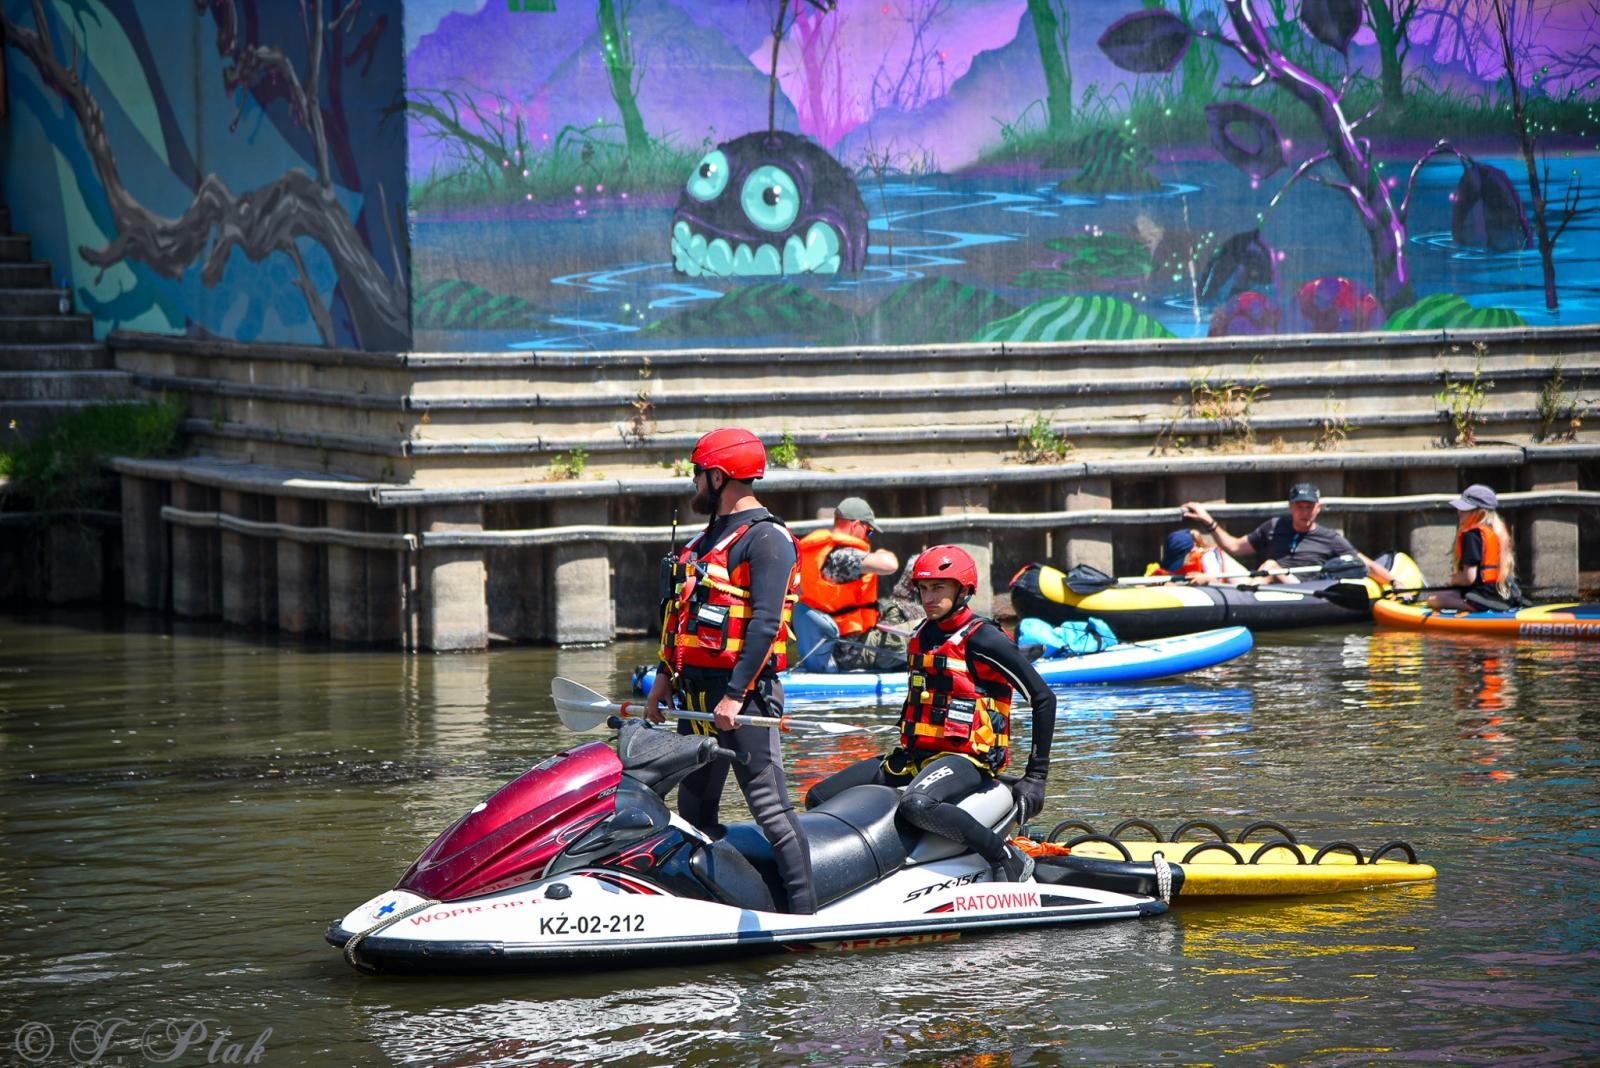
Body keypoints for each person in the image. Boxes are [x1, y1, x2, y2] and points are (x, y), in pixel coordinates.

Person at [804, 545, 1055, 883]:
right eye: (923, 588)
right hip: (914, 756)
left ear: (963, 589)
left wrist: (1035, 778)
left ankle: (1005, 856)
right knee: (818, 797)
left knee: (916, 805)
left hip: (967, 760)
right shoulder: (922, 635)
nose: (929, 597)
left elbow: (1043, 698)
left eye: (939, 587)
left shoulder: (985, 639)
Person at [642, 427, 816, 914]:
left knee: (771, 809)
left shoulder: (767, 539)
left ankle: (806, 916)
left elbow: (764, 623)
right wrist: (662, 682)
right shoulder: (702, 541)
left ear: (718, 476)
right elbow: (677, 619)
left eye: (698, 474)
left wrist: (735, 695)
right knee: (695, 809)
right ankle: (718, 899)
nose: (694, 484)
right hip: (694, 694)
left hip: (743, 699)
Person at [1180, 482, 1394, 585]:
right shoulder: (1273, 526)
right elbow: (1235, 547)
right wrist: (1209, 522)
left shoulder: (1330, 538)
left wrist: (1394, 583)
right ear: (1291, 507)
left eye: (1309, 507)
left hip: (1302, 588)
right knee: (1216, 553)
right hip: (1265, 582)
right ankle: (1206, 583)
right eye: (1299, 506)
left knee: (1271, 565)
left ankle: (1217, 583)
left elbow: (1366, 564)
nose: (1305, 512)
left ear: (1318, 508)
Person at [792, 496, 900, 672]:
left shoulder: (814, 555)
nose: (868, 537)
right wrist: (882, 551)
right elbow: (890, 565)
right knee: (921, 635)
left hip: (832, 646)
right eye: (869, 531)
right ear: (856, 525)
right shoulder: (843, 557)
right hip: (853, 650)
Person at [1428, 484, 1519, 611]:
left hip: (1482, 598)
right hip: (1500, 595)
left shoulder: (1472, 536)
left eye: (1464, 509)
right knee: (1446, 593)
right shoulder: (1497, 531)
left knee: (1433, 599)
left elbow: (1469, 578)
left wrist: (1454, 580)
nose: (1459, 512)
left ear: (1480, 513)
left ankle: (1471, 608)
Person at [1148, 528, 1231, 580]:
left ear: (1192, 551)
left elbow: (1217, 582)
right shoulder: (1171, 562)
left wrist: (1206, 579)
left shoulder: (1208, 558)